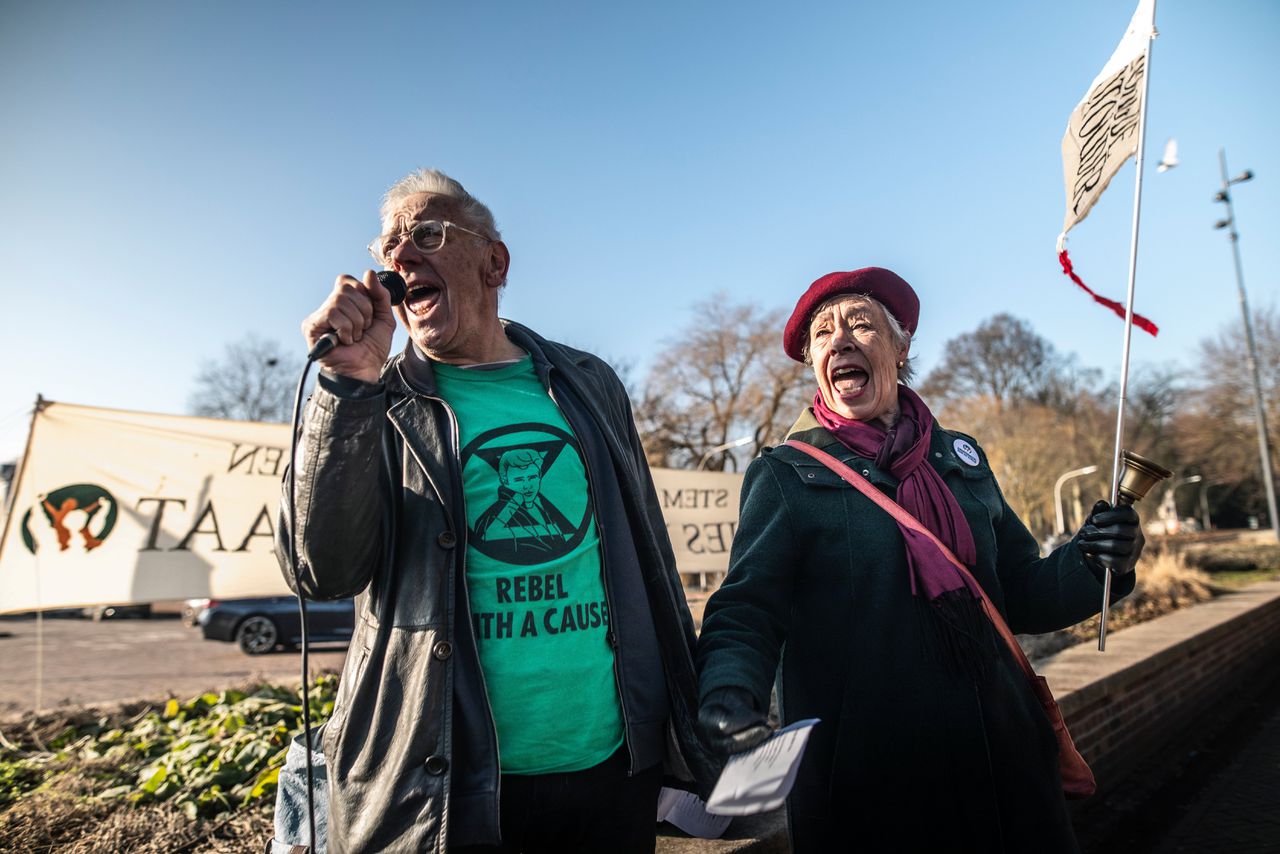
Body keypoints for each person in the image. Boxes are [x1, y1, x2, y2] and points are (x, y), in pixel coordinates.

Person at [278, 168, 713, 852]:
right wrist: (344, 388)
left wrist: (685, 710)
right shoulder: (372, 400)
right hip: (442, 780)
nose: (400, 257)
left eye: (427, 233)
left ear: (494, 261)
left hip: (614, 766)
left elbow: (645, 552)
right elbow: (320, 570)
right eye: (388, 245)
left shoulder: (587, 382)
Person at [694, 267, 1144, 853]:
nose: (841, 340)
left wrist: (1094, 559)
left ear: (901, 347)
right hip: (876, 781)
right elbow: (747, 608)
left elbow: (1019, 593)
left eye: (861, 324)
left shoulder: (961, 459)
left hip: (1005, 758)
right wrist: (728, 693)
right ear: (813, 363)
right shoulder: (786, 476)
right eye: (823, 334)